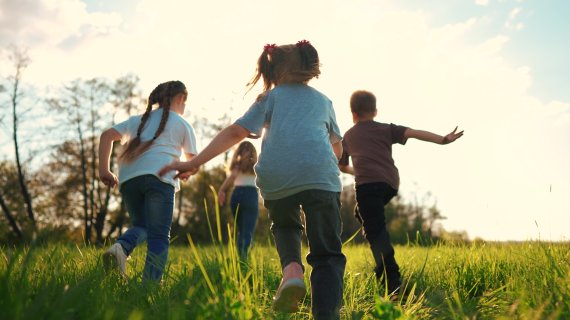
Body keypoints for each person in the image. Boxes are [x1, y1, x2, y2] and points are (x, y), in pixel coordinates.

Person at [159, 40, 346, 319]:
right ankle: (326, 314)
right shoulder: (323, 100)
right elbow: (337, 147)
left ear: (274, 69)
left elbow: (236, 132)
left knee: (284, 226)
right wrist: (328, 163)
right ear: (309, 67)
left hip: (276, 177)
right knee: (327, 254)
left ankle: (292, 271)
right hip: (319, 176)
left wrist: (194, 161)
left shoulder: (269, 99)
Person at [338, 90, 464, 294]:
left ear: (352, 114)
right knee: (362, 215)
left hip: (367, 187)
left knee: (375, 232)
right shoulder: (386, 129)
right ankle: (378, 246)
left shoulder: (349, 136)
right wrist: (443, 139)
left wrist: (359, 169)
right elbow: (414, 132)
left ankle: (392, 283)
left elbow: (342, 167)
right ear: (375, 111)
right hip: (390, 184)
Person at [98, 80, 198, 282]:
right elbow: (193, 162)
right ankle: (150, 287)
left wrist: (104, 170)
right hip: (159, 178)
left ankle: (121, 247)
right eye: (185, 102)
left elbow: (107, 135)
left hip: (128, 180)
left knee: (143, 225)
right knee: (159, 235)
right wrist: (187, 172)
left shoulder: (137, 120)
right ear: (179, 99)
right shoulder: (182, 124)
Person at [217, 141, 259, 259]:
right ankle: (244, 259)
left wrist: (222, 190)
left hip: (236, 195)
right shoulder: (256, 166)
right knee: (248, 230)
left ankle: (240, 257)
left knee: (241, 229)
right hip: (250, 195)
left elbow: (232, 177)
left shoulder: (237, 165)